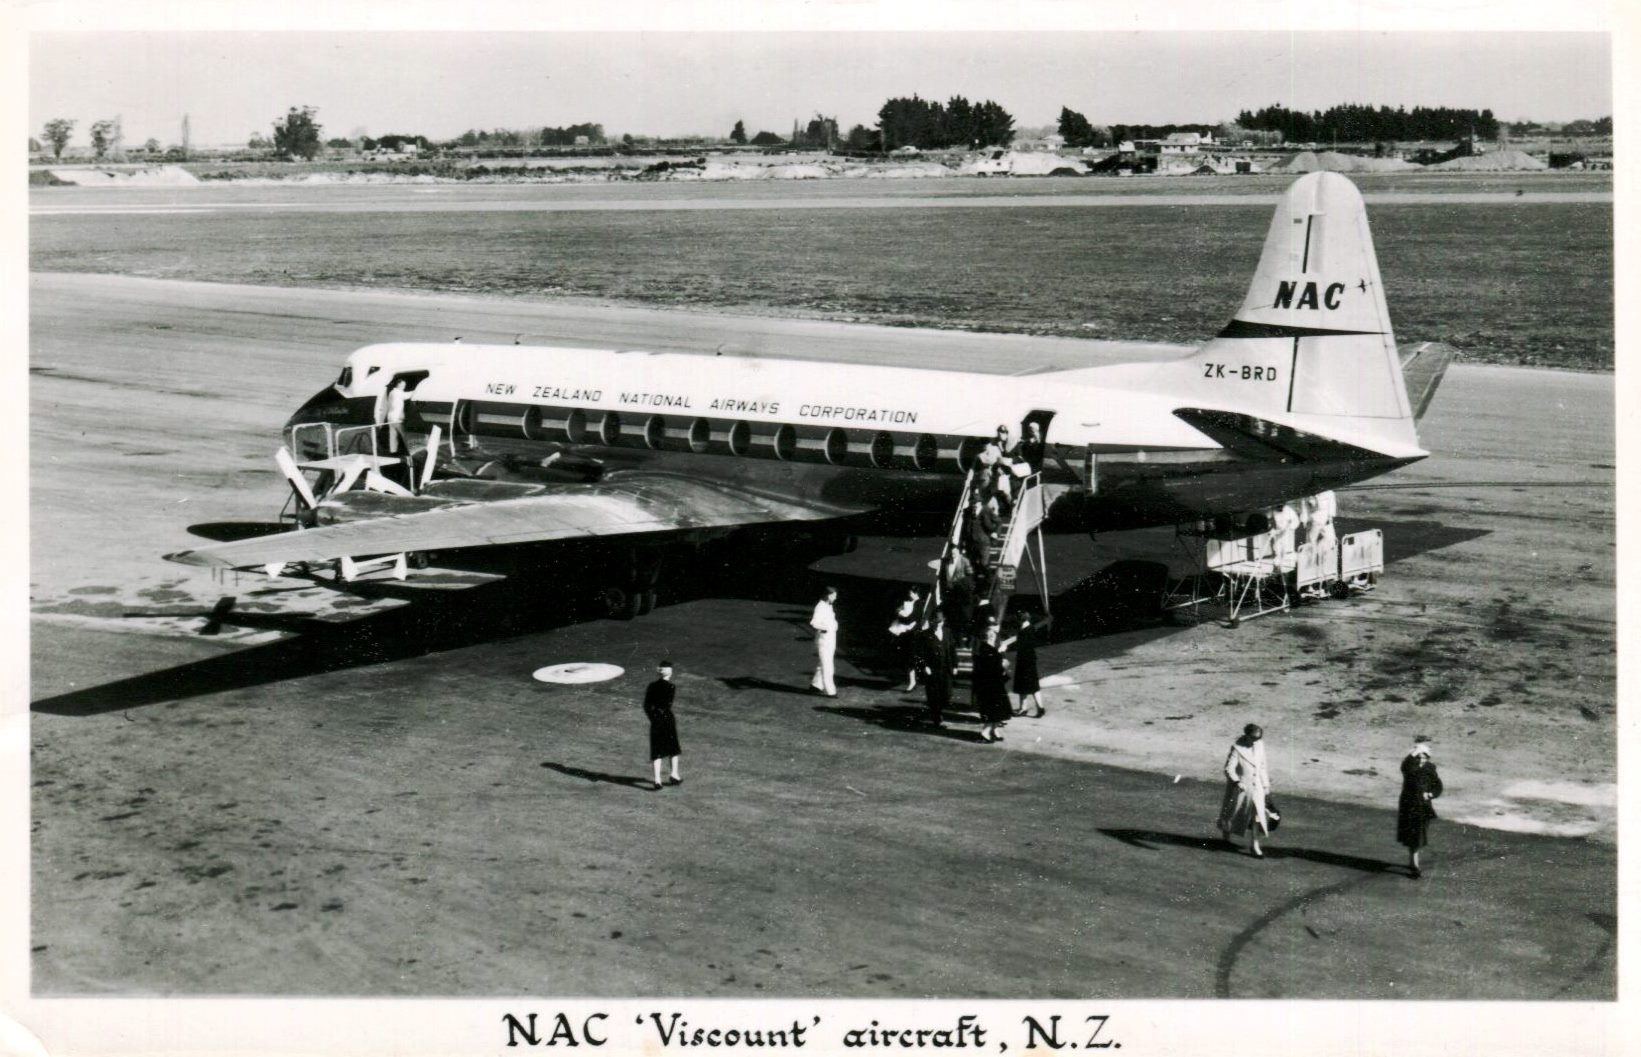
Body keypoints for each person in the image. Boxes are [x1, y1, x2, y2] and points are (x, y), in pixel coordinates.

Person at [1217, 723, 1272, 857]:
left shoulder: (1260, 745)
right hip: (1241, 788)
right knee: (1231, 813)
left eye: (1257, 738)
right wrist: (1236, 781)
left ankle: (1255, 846)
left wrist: (1266, 786)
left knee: (1257, 816)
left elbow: (1263, 766)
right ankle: (1226, 837)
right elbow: (1229, 769)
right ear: (1246, 735)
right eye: (1252, 738)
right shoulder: (1237, 748)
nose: (1255, 741)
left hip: (1257, 787)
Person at [1397, 736, 1444, 879]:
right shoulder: (1410, 767)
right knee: (1414, 837)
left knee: (1416, 837)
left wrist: (1430, 794)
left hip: (1423, 807)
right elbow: (1405, 766)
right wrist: (1414, 752)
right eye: (1420, 756)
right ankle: (1415, 866)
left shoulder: (1430, 769)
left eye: (1424, 756)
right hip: (1409, 806)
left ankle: (1413, 862)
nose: (1422, 759)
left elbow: (1438, 786)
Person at [643, 660, 682, 790]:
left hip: (656, 720)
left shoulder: (652, 686)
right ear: (669, 672)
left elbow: (647, 705)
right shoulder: (671, 687)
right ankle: (674, 774)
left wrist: (653, 717)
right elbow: (668, 704)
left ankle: (657, 779)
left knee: (657, 751)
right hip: (667, 719)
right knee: (673, 749)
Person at [972, 617, 1012, 743]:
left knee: (998, 708)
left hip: (993, 683)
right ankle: (985, 732)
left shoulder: (987, 648)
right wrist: (1000, 655)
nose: (995, 637)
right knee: (993, 709)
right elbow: (993, 666)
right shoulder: (986, 650)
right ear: (989, 636)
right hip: (990, 685)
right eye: (993, 635)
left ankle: (994, 730)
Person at [1006, 614, 1044, 718]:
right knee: (1033, 685)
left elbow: (1021, 646)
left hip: (1024, 661)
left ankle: (1023, 708)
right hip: (1030, 660)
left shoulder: (1024, 630)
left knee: (1021, 686)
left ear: (1021, 620)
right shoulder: (1031, 628)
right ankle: (1040, 707)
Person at [887, 587, 924, 692]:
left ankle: (913, 681)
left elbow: (912, 618)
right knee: (909, 658)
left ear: (915, 593)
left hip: (913, 634)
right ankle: (912, 681)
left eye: (911, 593)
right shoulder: (912, 603)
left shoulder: (919, 604)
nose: (910, 595)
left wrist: (900, 616)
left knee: (911, 658)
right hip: (909, 633)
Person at [920, 614, 954, 726]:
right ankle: (936, 716)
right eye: (935, 623)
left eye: (939, 622)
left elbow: (952, 650)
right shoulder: (924, 635)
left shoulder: (948, 632)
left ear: (943, 622)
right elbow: (919, 654)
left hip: (946, 667)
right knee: (933, 694)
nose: (937, 625)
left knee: (947, 694)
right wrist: (925, 666)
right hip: (932, 669)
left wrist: (955, 666)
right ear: (931, 622)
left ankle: (939, 709)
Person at [809, 586, 839, 697]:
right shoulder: (820, 607)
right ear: (828, 595)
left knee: (823, 663)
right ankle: (831, 691)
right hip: (824, 640)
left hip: (831, 639)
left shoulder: (828, 606)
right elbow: (814, 623)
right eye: (834, 595)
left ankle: (815, 685)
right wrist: (825, 629)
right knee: (828, 665)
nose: (835, 598)